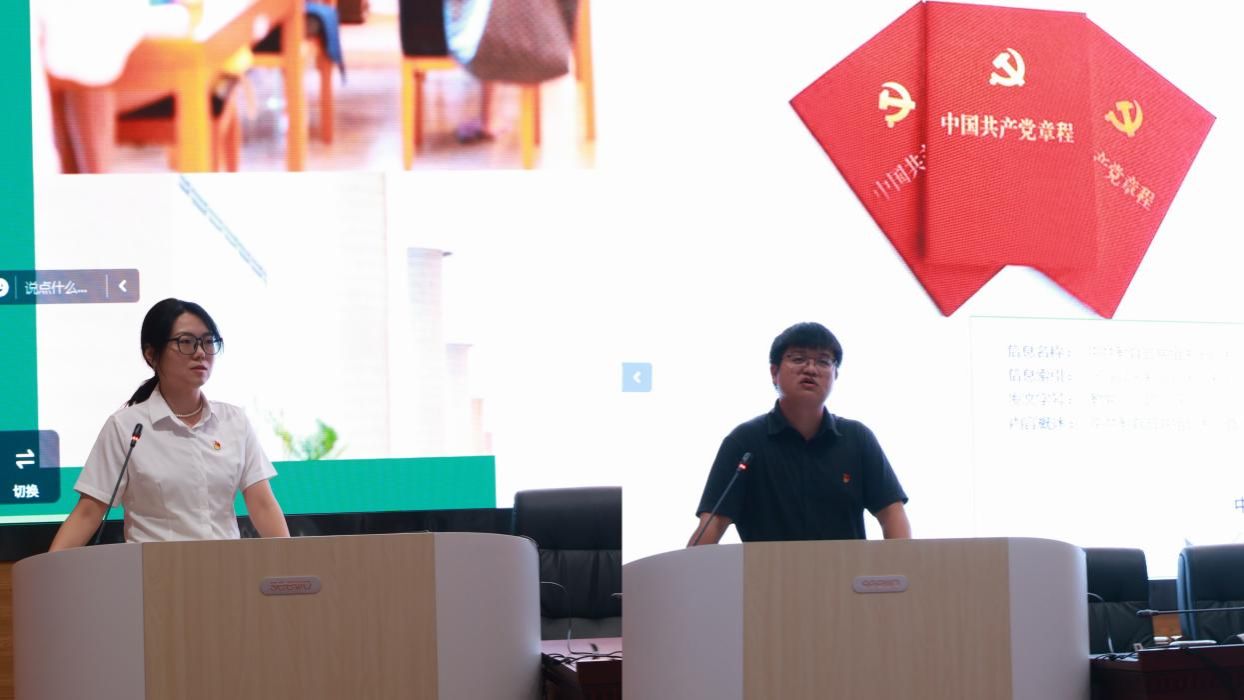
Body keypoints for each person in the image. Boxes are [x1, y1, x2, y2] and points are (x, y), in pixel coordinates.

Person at [49, 298, 290, 550]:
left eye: (208, 342)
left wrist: (291, 562)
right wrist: (50, 567)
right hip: (154, 570)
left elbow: (262, 504)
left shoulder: (234, 421)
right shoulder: (126, 427)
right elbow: (88, 512)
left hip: (226, 568)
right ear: (151, 354)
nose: (200, 352)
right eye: (186, 342)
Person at [688, 322, 911, 546]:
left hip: (844, 569)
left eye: (823, 361)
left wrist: (904, 565)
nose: (811, 369)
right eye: (798, 359)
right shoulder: (744, 442)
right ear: (774, 372)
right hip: (767, 570)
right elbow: (713, 522)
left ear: (835, 374)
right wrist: (688, 565)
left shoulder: (857, 439)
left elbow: (892, 513)